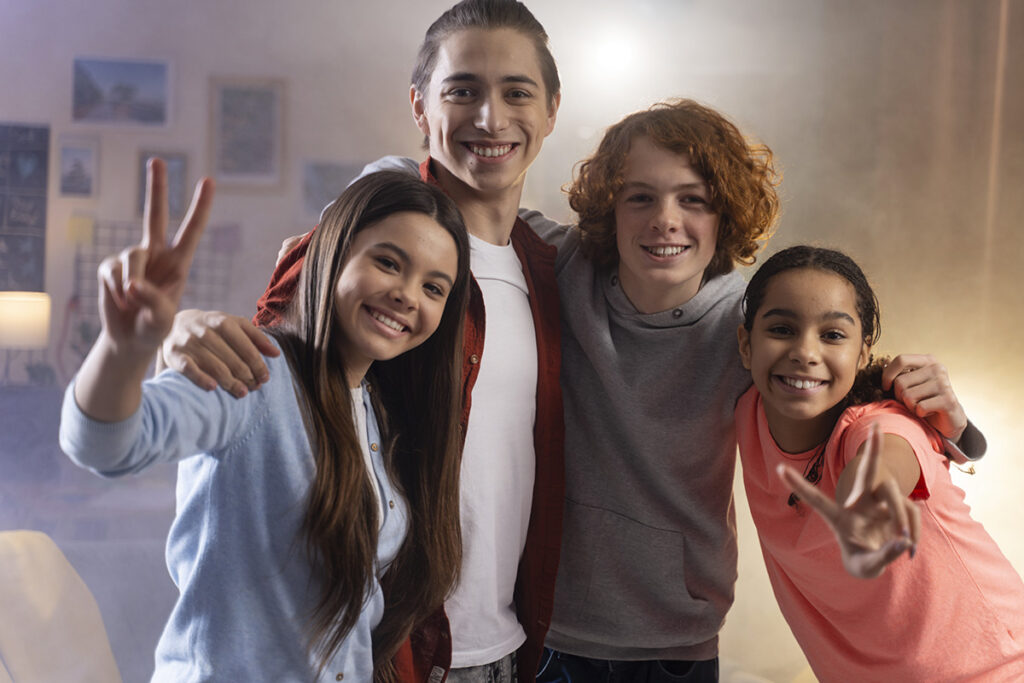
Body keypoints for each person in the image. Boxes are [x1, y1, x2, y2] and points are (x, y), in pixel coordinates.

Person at [159, 2, 565, 681]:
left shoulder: (551, 265)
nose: (490, 118)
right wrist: (184, 331)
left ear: (552, 110)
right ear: (419, 105)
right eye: (462, 90)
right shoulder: (361, 231)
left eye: (516, 92)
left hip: (509, 645)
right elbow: (265, 362)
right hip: (386, 645)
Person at [59, 164, 471, 682]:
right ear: (332, 254)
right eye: (388, 262)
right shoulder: (256, 370)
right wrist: (123, 349)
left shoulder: (375, 408)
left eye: (434, 289)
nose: (409, 295)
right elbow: (104, 445)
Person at [734, 245, 1024, 680]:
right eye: (781, 329)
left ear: (863, 353)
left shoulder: (881, 423)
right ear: (745, 344)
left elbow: (884, 460)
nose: (804, 352)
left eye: (833, 335)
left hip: (995, 668)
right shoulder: (745, 413)